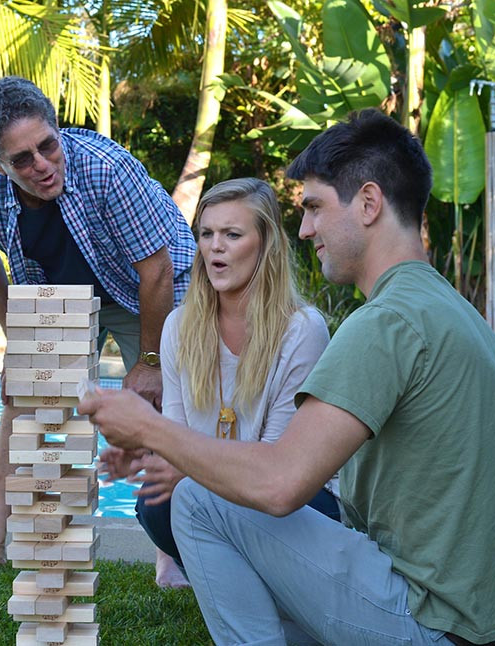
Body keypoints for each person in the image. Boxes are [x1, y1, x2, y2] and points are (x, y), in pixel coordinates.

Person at [79, 109, 495, 645]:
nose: (305, 229)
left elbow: (279, 484)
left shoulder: (385, 323)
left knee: (200, 501)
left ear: (369, 203)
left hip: (428, 622)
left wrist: (148, 428)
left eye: (316, 208)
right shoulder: (442, 306)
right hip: (468, 621)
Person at [0, 76, 196, 578]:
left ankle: (167, 549)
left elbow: (158, 269)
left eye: (47, 146)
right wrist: (18, 340)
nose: (41, 166)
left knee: (166, 400)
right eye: (22, 159)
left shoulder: (107, 171)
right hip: (57, 298)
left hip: (145, 287)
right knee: (20, 398)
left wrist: (150, 362)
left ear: (57, 131)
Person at [99, 178, 336, 589]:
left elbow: (277, 466)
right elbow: (174, 439)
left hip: (292, 500)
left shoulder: (302, 330)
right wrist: (150, 455)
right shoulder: (178, 327)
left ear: (265, 245)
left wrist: (186, 467)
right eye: (206, 234)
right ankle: (235, 579)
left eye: (232, 234)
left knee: (204, 496)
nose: (215, 247)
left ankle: (267, 582)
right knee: (154, 503)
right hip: (210, 490)